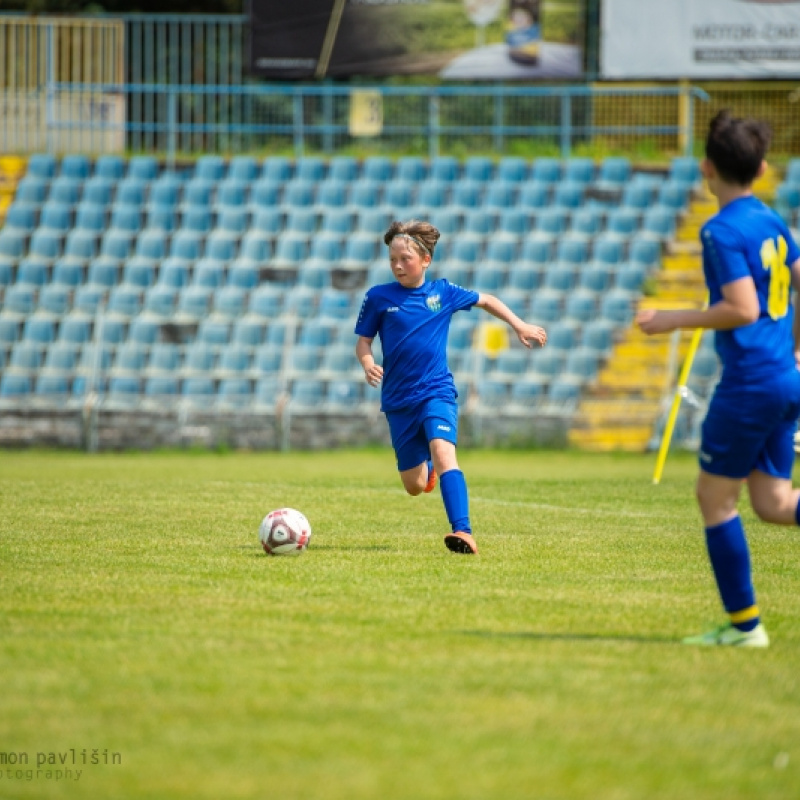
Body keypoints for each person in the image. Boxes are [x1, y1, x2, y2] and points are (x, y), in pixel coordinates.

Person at [636, 109, 800, 647]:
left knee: (715, 500)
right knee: (774, 505)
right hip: (783, 377)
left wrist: (672, 319)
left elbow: (743, 309)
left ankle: (745, 627)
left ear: (706, 168)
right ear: (761, 167)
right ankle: (743, 625)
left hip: (751, 382)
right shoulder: (770, 218)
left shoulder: (721, 230)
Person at [355, 219, 547, 555]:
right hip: (399, 401)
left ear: (426, 260)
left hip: (436, 392)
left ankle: (463, 531)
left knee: (445, 453)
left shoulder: (442, 292)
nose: (398, 266)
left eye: (406, 259)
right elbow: (364, 343)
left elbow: (486, 299)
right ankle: (425, 472)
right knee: (414, 486)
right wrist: (369, 364)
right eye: (392, 260)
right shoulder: (378, 297)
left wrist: (520, 325)